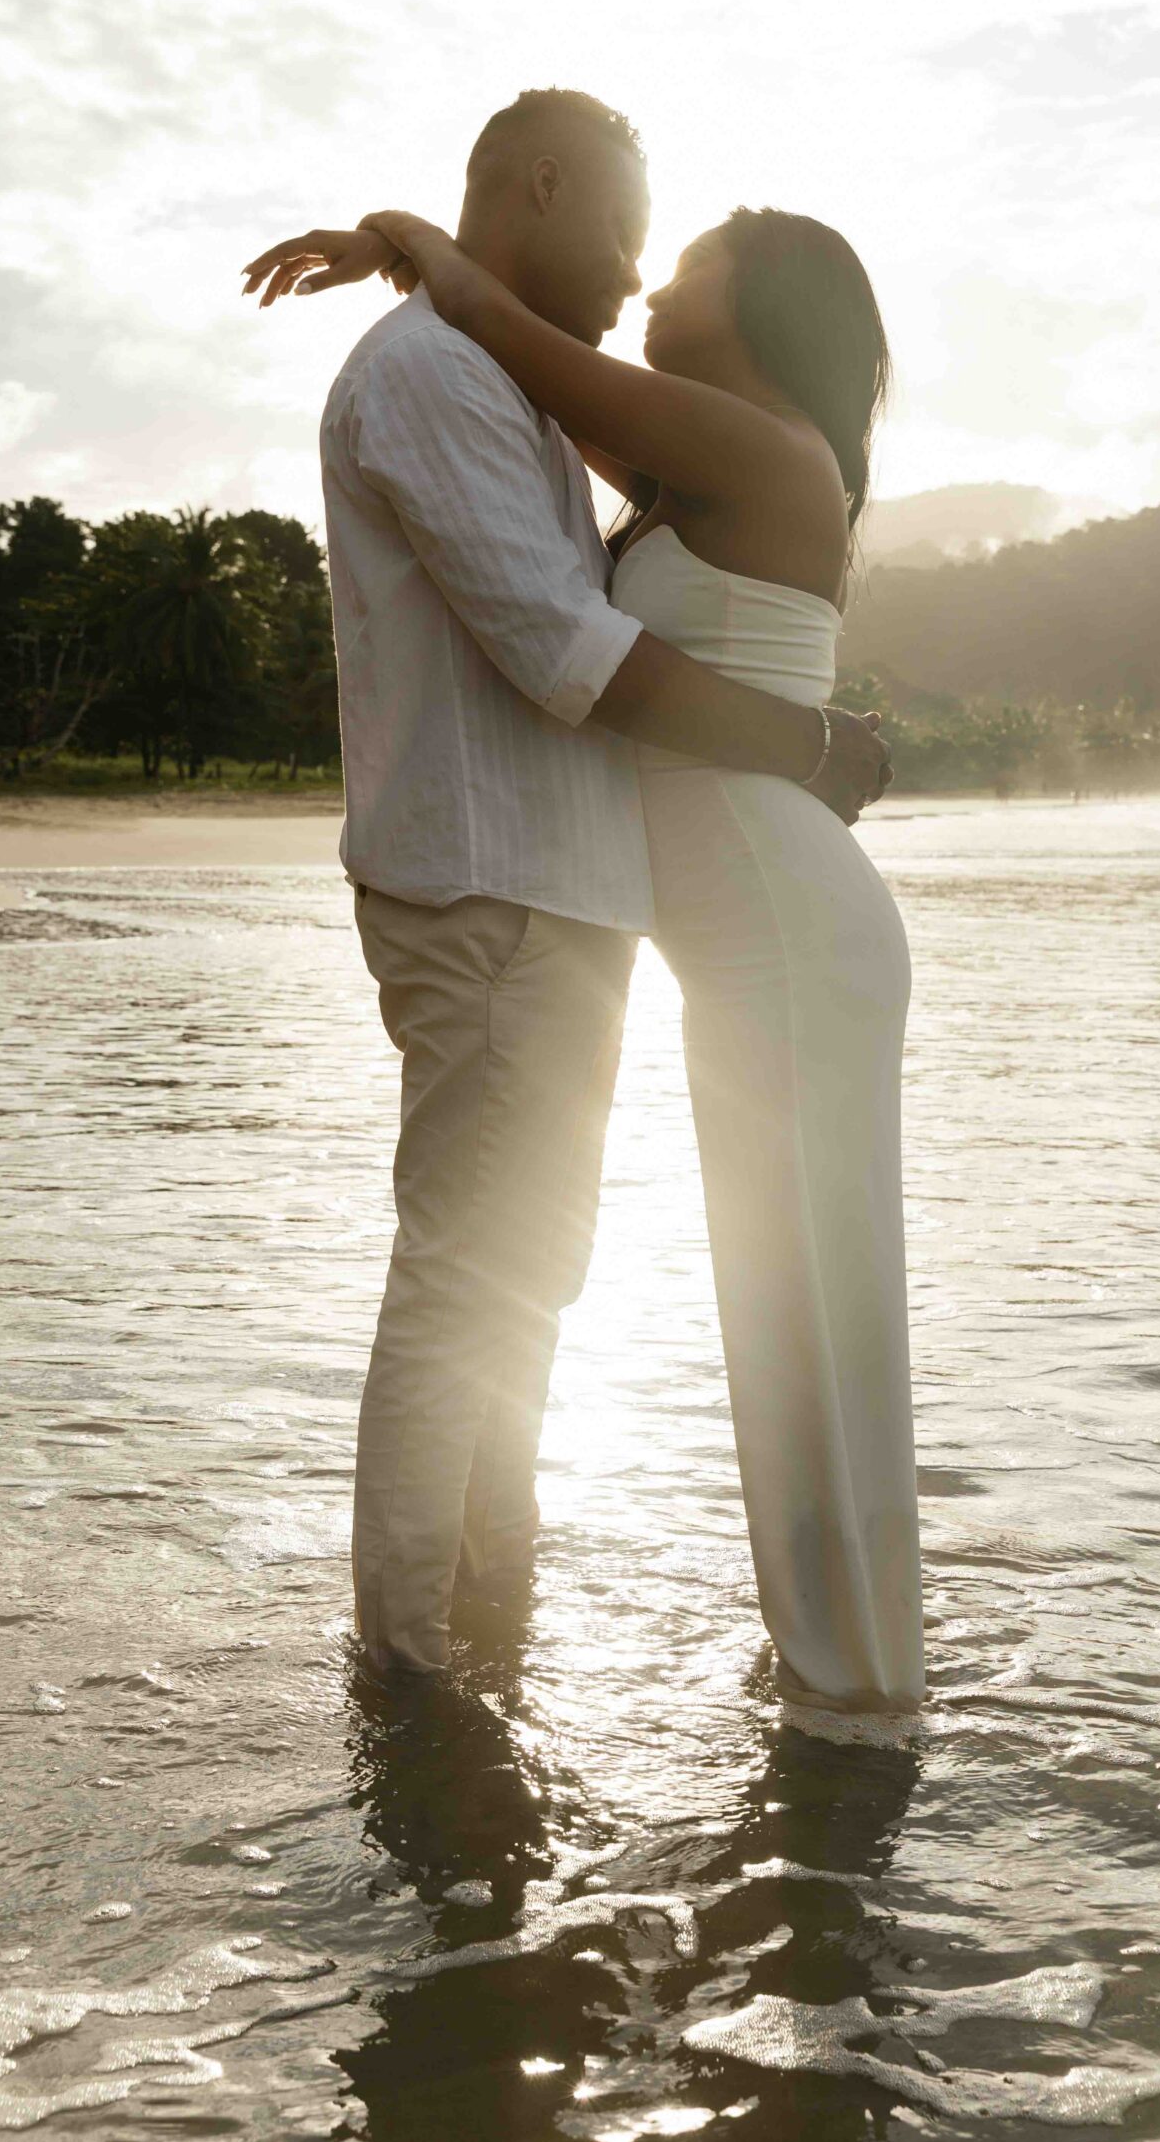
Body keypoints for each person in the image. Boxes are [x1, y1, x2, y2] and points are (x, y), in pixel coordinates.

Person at [246, 119, 923, 1721]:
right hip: (641, 911)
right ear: (543, 192)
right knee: (719, 1296)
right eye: (639, 240)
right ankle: (458, 1665)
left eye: (680, 264)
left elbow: (512, 329)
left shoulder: (741, 451)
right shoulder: (601, 426)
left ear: (760, 314)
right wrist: (412, 243)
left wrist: (413, 241)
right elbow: (563, 617)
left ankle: (848, 1688)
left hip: (765, 924)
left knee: (801, 1300)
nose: (644, 277)